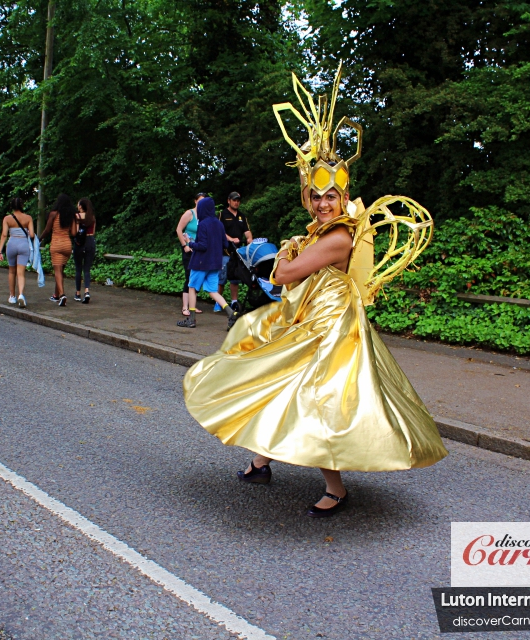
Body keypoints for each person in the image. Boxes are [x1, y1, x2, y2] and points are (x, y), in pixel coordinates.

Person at [182, 67, 447, 518]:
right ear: (308, 197)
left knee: (316, 399)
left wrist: (284, 253)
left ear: (344, 199)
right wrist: (290, 250)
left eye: (332, 196)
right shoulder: (320, 233)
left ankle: (336, 487)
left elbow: (284, 276)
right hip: (308, 322)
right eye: (316, 195)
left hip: (330, 334)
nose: (324, 203)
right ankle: (261, 461)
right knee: (276, 382)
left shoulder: (337, 238)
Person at [176, 197, 237, 329]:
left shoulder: (203, 224)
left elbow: (202, 246)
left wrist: (189, 242)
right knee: (212, 290)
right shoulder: (219, 223)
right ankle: (231, 313)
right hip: (215, 263)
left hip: (201, 262)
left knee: (192, 287)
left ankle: (191, 320)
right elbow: (225, 243)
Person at [216, 191, 251, 312]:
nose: (236, 202)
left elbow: (247, 231)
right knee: (222, 278)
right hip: (224, 251)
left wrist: (249, 239)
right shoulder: (222, 214)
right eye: (234, 200)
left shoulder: (242, 216)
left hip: (238, 252)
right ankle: (218, 302)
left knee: (235, 277)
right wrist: (231, 239)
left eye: (238, 200)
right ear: (229, 201)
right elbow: (219, 231)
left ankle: (234, 302)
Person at [0, 197, 35, 308]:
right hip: (23, 244)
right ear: (22, 205)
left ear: (12, 206)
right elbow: (32, 235)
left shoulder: (7, 218)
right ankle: (21, 295)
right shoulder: (28, 218)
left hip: (12, 244)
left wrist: (0, 251)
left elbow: (4, 235)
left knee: (11, 272)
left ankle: (12, 296)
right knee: (21, 273)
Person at [40, 193, 75, 306]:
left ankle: (62, 295)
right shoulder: (71, 216)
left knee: (57, 271)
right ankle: (56, 295)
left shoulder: (53, 214)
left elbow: (47, 230)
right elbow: (74, 233)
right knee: (60, 271)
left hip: (56, 245)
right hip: (67, 246)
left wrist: (39, 239)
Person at [176, 193, 206, 317]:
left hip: (199, 250)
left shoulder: (204, 216)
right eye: (200, 201)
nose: (201, 204)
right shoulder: (190, 213)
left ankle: (193, 305)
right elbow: (179, 229)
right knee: (189, 277)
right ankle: (185, 307)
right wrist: (185, 245)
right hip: (189, 249)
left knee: (197, 277)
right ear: (195, 201)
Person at [72, 197, 96, 303]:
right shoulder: (92, 217)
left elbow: (75, 231)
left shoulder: (77, 216)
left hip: (80, 243)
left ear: (80, 206)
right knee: (87, 269)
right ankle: (87, 291)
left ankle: (77, 293)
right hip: (90, 241)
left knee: (78, 268)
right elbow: (93, 232)